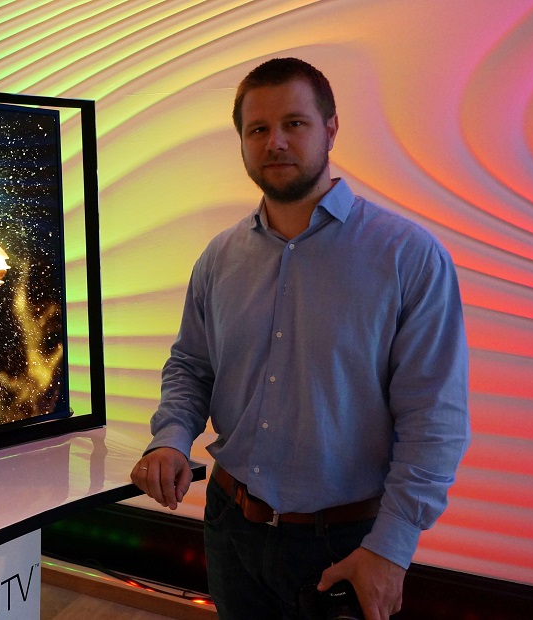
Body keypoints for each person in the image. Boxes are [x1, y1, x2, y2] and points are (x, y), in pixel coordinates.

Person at [130, 57, 469, 620]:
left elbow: (435, 418)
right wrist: (169, 438)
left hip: (346, 544)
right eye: (257, 129)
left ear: (331, 129)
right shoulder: (219, 258)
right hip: (231, 529)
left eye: (294, 123)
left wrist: (391, 549)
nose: (275, 142)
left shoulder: (408, 257)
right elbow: (191, 366)